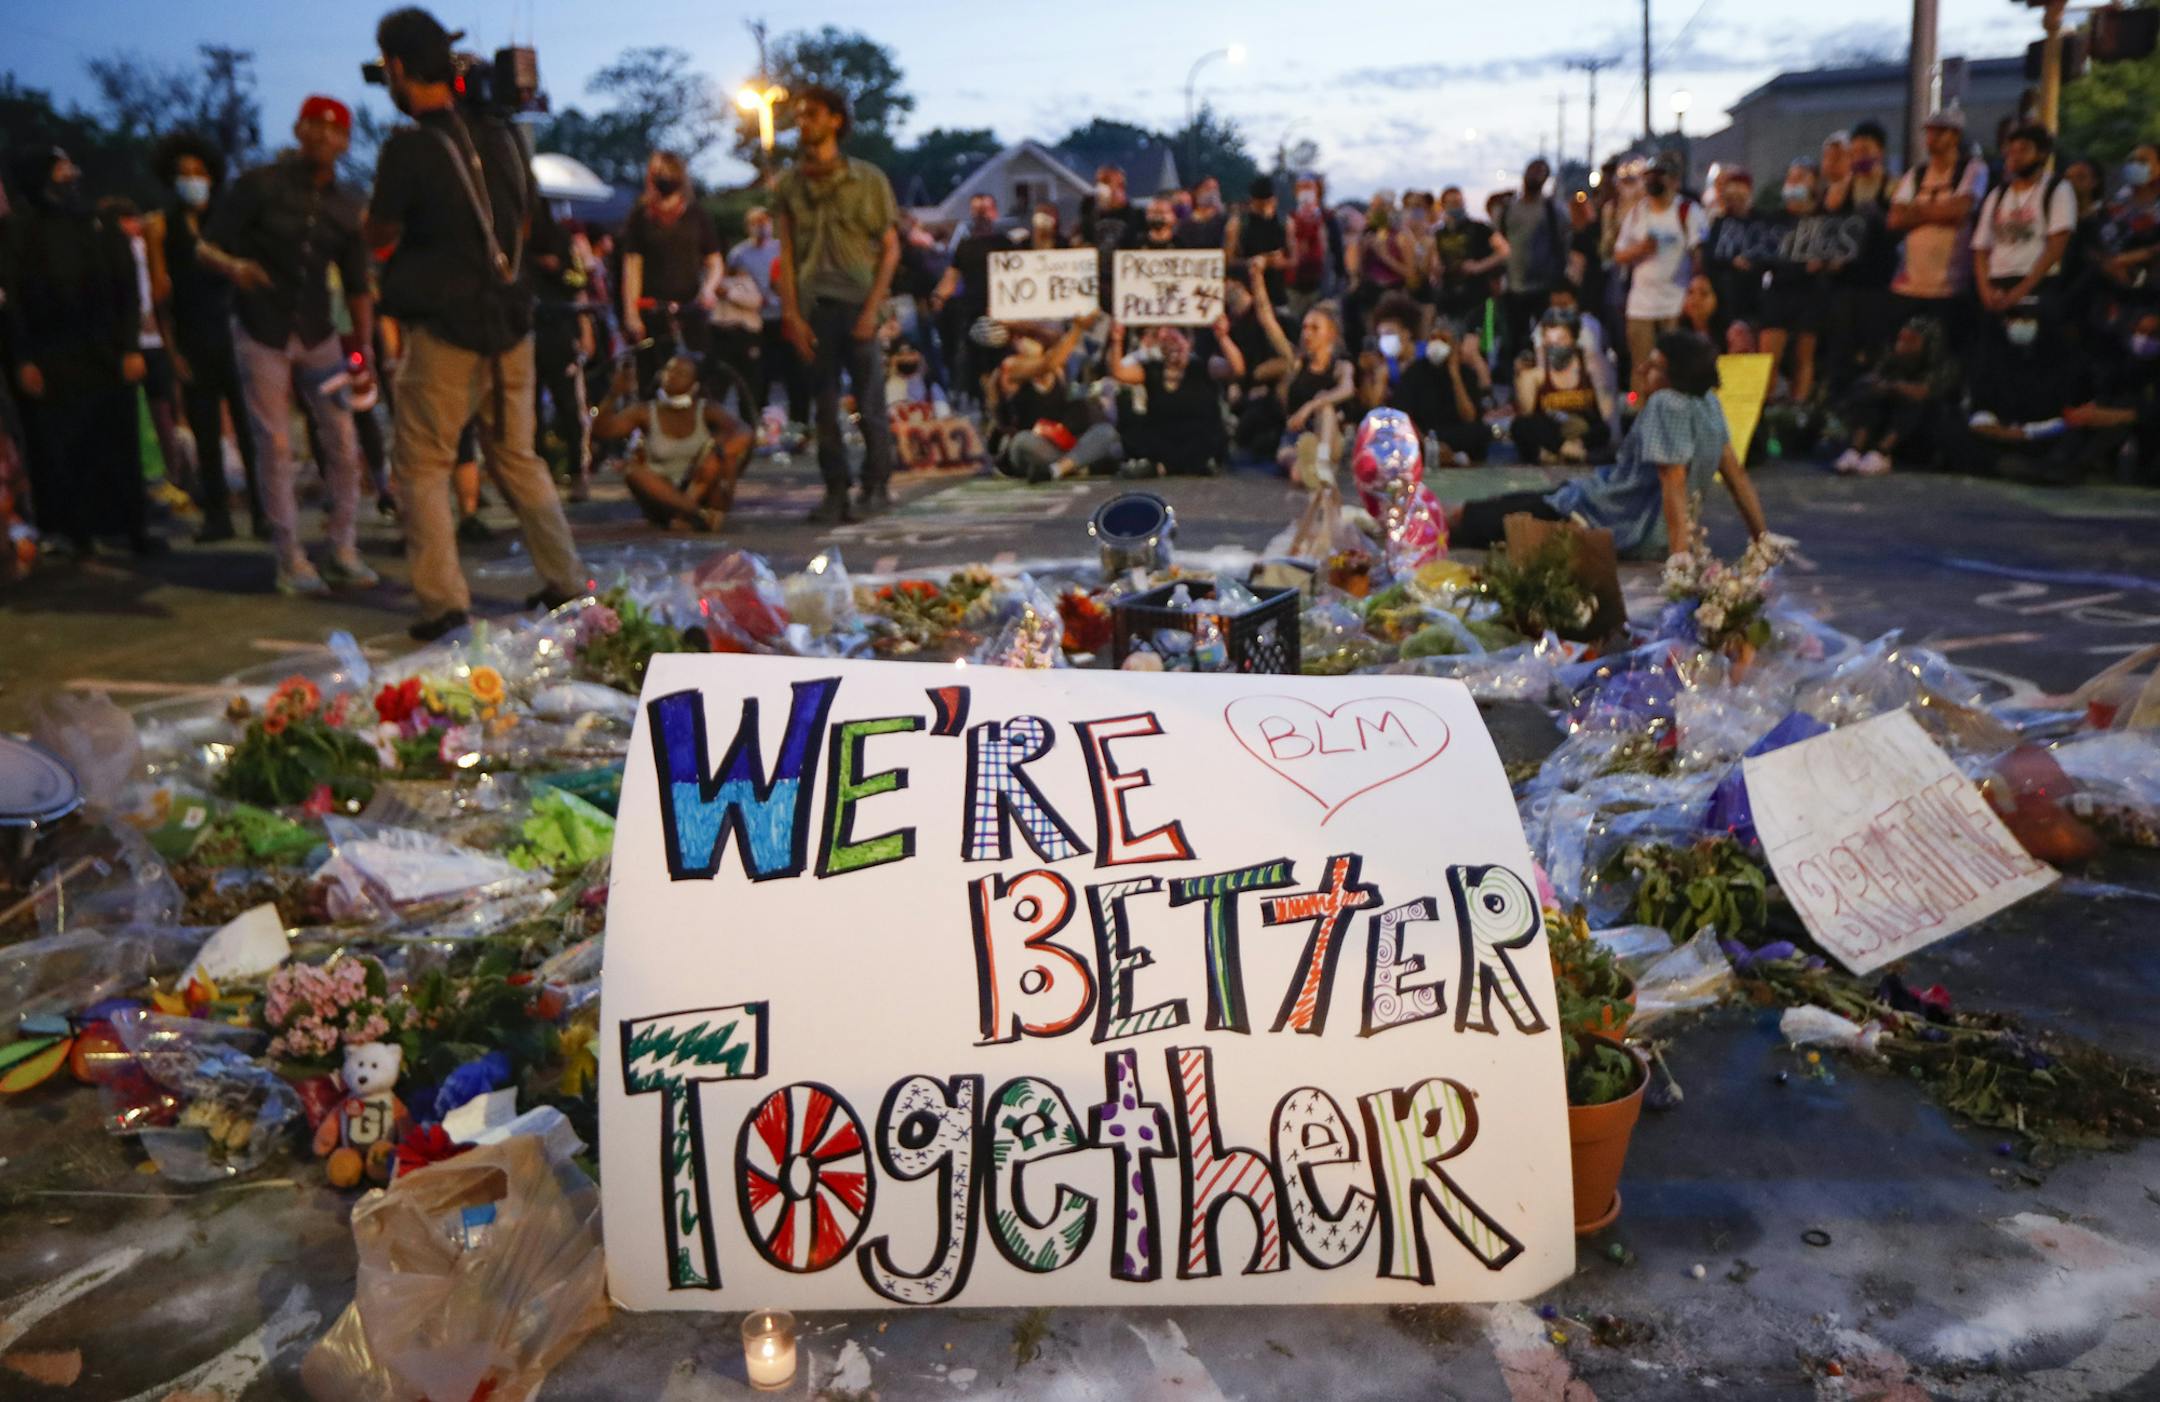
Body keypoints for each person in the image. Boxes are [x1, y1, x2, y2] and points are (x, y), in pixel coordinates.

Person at [365, 6, 587, 640]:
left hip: (445, 328)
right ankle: (567, 583)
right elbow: (528, 226)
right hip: (512, 322)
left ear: (400, 68)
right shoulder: (505, 138)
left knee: (424, 465)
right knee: (518, 457)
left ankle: (445, 605)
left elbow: (379, 230)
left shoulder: (410, 147)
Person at [200, 95, 376, 592]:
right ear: (298, 130)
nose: (324, 137)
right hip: (262, 328)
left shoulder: (349, 202)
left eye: (336, 130)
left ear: (345, 140)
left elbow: (359, 282)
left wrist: (365, 350)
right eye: (315, 127)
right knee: (274, 443)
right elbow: (206, 247)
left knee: (343, 441)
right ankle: (290, 556)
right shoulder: (259, 186)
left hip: (320, 332)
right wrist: (237, 269)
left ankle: (343, 545)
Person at [1450, 331, 1769, 559]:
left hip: (1600, 517)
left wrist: (1679, 558)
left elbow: (1673, 479)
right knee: (1502, 510)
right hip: (1607, 509)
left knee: (1470, 516)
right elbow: (1735, 474)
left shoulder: (1666, 404)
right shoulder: (1708, 403)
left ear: (1676, 375)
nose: (1643, 370)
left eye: (1655, 366)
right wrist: (1762, 539)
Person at [1, 147, 152, 557]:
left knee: (117, 443)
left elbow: (126, 290)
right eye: (60, 168)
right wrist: (24, 359)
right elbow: (13, 299)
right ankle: (78, 532)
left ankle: (132, 527)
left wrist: (130, 346)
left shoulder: (98, 223)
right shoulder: (22, 230)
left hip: (107, 351)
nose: (71, 175)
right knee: (67, 447)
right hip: (54, 357)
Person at [772, 83, 902, 524]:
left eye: (811, 114)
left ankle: (877, 483)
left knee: (869, 402)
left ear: (835, 121)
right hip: (814, 307)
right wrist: (790, 313)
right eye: (799, 115)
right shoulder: (790, 185)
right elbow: (786, 253)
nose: (802, 122)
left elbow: (890, 247)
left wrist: (873, 310)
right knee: (823, 406)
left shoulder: (867, 180)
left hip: (858, 301)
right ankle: (835, 490)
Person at [146, 131, 260, 540]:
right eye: (183, 173)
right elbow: (161, 297)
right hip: (194, 336)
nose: (191, 179)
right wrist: (172, 351)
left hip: (237, 331)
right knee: (206, 430)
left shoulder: (228, 220)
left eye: (198, 172)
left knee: (251, 430)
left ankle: (264, 513)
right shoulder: (161, 225)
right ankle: (217, 516)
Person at [591, 353, 753, 529]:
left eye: (682, 373)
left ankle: (694, 513)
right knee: (632, 470)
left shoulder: (706, 409)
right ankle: (695, 514)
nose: (672, 376)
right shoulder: (645, 411)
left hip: (702, 491)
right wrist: (614, 394)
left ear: (695, 384)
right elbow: (603, 430)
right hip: (662, 498)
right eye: (669, 370)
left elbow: (745, 432)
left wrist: (716, 453)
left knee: (726, 460)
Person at [620, 151, 720, 393]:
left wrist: (708, 289)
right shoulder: (641, 217)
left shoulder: (696, 215)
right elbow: (632, 267)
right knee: (652, 381)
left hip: (690, 310)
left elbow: (714, 261)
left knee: (697, 380)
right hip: (652, 309)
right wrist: (631, 313)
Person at [1972, 123, 2077, 347]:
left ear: (2041, 154)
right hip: (1997, 284)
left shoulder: (2057, 189)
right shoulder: (1998, 194)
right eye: (2011, 150)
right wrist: (1985, 289)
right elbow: (1981, 247)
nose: (2014, 156)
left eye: (2023, 150)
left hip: (2036, 284)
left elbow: (2056, 246)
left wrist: (2021, 291)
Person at [1248, 262, 1353, 483]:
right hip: (1297, 436)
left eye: (1315, 328)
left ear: (1331, 334)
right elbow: (1268, 321)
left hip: (1327, 434)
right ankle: (1313, 468)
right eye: (1305, 327)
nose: (1307, 334)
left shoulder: (1341, 366)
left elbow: (1346, 389)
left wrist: (1309, 407)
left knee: (1325, 407)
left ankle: (1322, 465)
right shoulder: (1296, 361)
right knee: (1297, 473)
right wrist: (1257, 280)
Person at [1890, 105, 1987, 340]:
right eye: (1930, 131)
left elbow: (1961, 210)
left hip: (1950, 288)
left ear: (1955, 136)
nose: (1931, 137)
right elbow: (1894, 219)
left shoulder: (1972, 170)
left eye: (1940, 131)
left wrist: (1916, 212)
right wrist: (1941, 212)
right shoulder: (1916, 174)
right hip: (1909, 285)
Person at [1613, 152, 1703, 400]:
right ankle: (1641, 415)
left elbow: (1698, 253)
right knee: (1642, 368)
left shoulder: (1687, 211)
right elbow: (1619, 254)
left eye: (1658, 176)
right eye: (1648, 176)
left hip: (1675, 304)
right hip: (1641, 306)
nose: (1652, 182)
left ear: (1674, 180)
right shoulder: (1638, 213)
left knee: (1675, 369)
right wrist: (1640, 249)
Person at [1820, 120, 1898, 390]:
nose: (1859, 156)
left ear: (1880, 151)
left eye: (1865, 150)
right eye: (1854, 151)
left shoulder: (1892, 186)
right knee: (1841, 351)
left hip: (1877, 283)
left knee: (1874, 351)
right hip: (1845, 285)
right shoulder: (1844, 188)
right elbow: (1829, 212)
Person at [1109, 317, 1241, 476]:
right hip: (1163, 439)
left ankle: (1174, 466)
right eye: (1167, 343)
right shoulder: (1153, 370)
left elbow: (1237, 369)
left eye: (1176, 341)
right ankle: (1167, 465)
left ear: (1189, 342)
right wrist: (1117, 339)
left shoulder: (1204, 366)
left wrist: (1223, 337)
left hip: (1199, 438)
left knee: (1205, 441)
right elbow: (1119, 373)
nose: (1173, 348)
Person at [991, 314, 1117, 480]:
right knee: (1022, 441)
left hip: (1060, 443)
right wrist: (1078, 328)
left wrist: (1028, 327)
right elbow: (1046, 365)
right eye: (1023, 338)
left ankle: (1058, 469)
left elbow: (1056, 341)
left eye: (1032, 338)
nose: (1031, 341)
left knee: (1106, 432)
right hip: (1034, 444)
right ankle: (1077, 464)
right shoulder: (1011, 367)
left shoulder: (1058, 367)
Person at [1367, 294, 1487, 466]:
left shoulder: (1465, 373)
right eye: (1434, 338)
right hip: (1427, 434)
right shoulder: (1415, 371)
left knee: (1479, 433)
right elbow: (1402, 414)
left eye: (1443, 340)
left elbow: (1469, 416)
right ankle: (1443, 455)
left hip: (1455, 431)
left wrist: (1454, 374)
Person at [1835, 317, 1957, 476]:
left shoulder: (1944, 364)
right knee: (1868, 394)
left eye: (1911, 340)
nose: (1902, 343)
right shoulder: (1892, 356)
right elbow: (1874, 380)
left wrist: (1893, 386)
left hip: (1924, 429)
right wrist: (1883, 386)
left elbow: (1923, 392)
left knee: (1910, 400)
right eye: (1902, 337)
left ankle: (1882, 452)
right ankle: (1855, 449)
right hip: (1888, 416)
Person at [729, 205, 807, 422]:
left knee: (796, 373)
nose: (762, 226)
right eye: (756, 222)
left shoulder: (783, 249)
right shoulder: (738, 254)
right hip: (755, 321)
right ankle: (753, 424)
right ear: (748, 226)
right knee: (757, 375)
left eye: (765, 221)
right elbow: (733, 284)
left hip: (785, 318)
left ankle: (799, 423)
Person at [1758, 161, 1825, 405]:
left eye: (1800, 178)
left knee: (1803, 357)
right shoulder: (1774, 218)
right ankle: (1767, 408)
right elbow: (1763, 255)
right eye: (1790, 177)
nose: (1793, 183)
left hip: (1809, 293)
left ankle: (1798, 410)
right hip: (1779, 291)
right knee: (1769, 358)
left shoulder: (1822, 219)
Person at [1511, 306, 1613, 464]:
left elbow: (1607, 415)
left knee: (1602, 431)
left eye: (1561, 339)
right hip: (1551, 435)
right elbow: (1527, 413)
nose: (1555, 346)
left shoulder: (1590, 368)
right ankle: (1567, 451)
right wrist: (1521, 379)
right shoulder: (1535, 374)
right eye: (1549, 340)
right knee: (1521, 426)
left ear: (1573, 339)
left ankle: (1567, 452)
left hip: (1582, 433)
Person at [1498, 159, 1571, 367]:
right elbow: (1499, 242)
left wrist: (1559, 280)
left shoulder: (1553, 210)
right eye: (1533, 170)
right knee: (1514, 338)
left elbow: (1564, 244)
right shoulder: (1509, 209)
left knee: (1547, 337)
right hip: (1513, 285)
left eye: (1542, 172)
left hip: (1544, 286)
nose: (1536, 175)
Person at [1433, 185, 1506, 360]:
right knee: (1453, 345)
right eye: (1451, 203)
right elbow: (1435, 260)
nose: (1455, 207)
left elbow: (1504, 250)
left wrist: (1479, 266)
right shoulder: (1439, 234)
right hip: (1451, 297)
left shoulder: (1480, 228)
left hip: (1478, 296)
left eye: (1458, 202)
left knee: (1481, 347)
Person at [1699, 165, 1762, 333]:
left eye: (1738, 187)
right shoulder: (1719, 223)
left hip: (1754, 301)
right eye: (1730, 188)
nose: (1734, 193)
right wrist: (1730, 261)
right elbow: (1708, 257)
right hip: (1723, 303)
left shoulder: (1761, 222)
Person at [2099, 144, 2160, 312]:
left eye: (2142, 161)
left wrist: (2129, 258)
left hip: (2151, 288)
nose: (2135, 165)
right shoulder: (2119, 197)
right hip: (2110, 285)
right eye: (2131, 161)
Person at [1078, 164, 1141, 311]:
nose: (1100, 187)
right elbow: (1085, 236)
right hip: (1096, 281)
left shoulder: (1133, 214)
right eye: (1098, 182)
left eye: (1106, 181)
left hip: (1122, 282)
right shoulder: (1089, 208)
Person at [1230, 176, 1289, 310]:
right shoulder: (1238, 224)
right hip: (1248, 295)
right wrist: (1251, 262)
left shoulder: (1283, 222)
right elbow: (1228, 260)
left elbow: (1294, 259)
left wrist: (1279, 262)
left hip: (1277, 293)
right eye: (1261, 204)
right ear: (1253, 201)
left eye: (1268, 203)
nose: (1265, 208)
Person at [1283, 176, 1328, 316]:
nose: (1306, 193)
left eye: (1309, 188)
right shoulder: (1291, 218)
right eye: (1302, 188)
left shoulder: (1326, 218)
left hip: (1319, 280)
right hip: (1296, 282)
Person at [1180, 176, 1227, 251]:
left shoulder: (1225, 221)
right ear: (1196, 192)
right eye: (1207, 188)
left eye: (1215, 189)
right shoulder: (1184, 223)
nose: (1212, 193)